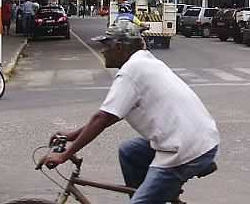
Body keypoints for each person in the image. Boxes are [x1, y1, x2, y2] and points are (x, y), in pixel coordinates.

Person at [37, 21, 219, 204]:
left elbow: (102, 118)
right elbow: (111, 114)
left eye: (105, 45)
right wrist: (72, 135)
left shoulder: (132, 71)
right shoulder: (143, 61)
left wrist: (64, 155)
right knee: (129, 150)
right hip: (196, 137)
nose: (102, 51)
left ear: (118, 47)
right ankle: (149, 196)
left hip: (186, 149)